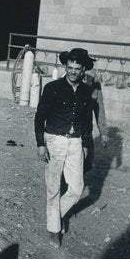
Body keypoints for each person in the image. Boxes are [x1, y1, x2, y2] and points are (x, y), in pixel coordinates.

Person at [34, 48, 95, 248]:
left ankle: (55, 218)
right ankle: (54, 231)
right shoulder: (52, 88)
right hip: (54, 140)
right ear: (65, 67)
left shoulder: (87, 91)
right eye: (70, 67)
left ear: (83, 69)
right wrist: (41, 144)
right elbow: (39, 117)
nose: (73, 72)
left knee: (76, 189)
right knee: (53, 188)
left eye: (77, 68)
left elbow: (87, 122)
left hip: (76, 141)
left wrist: (86, 144)